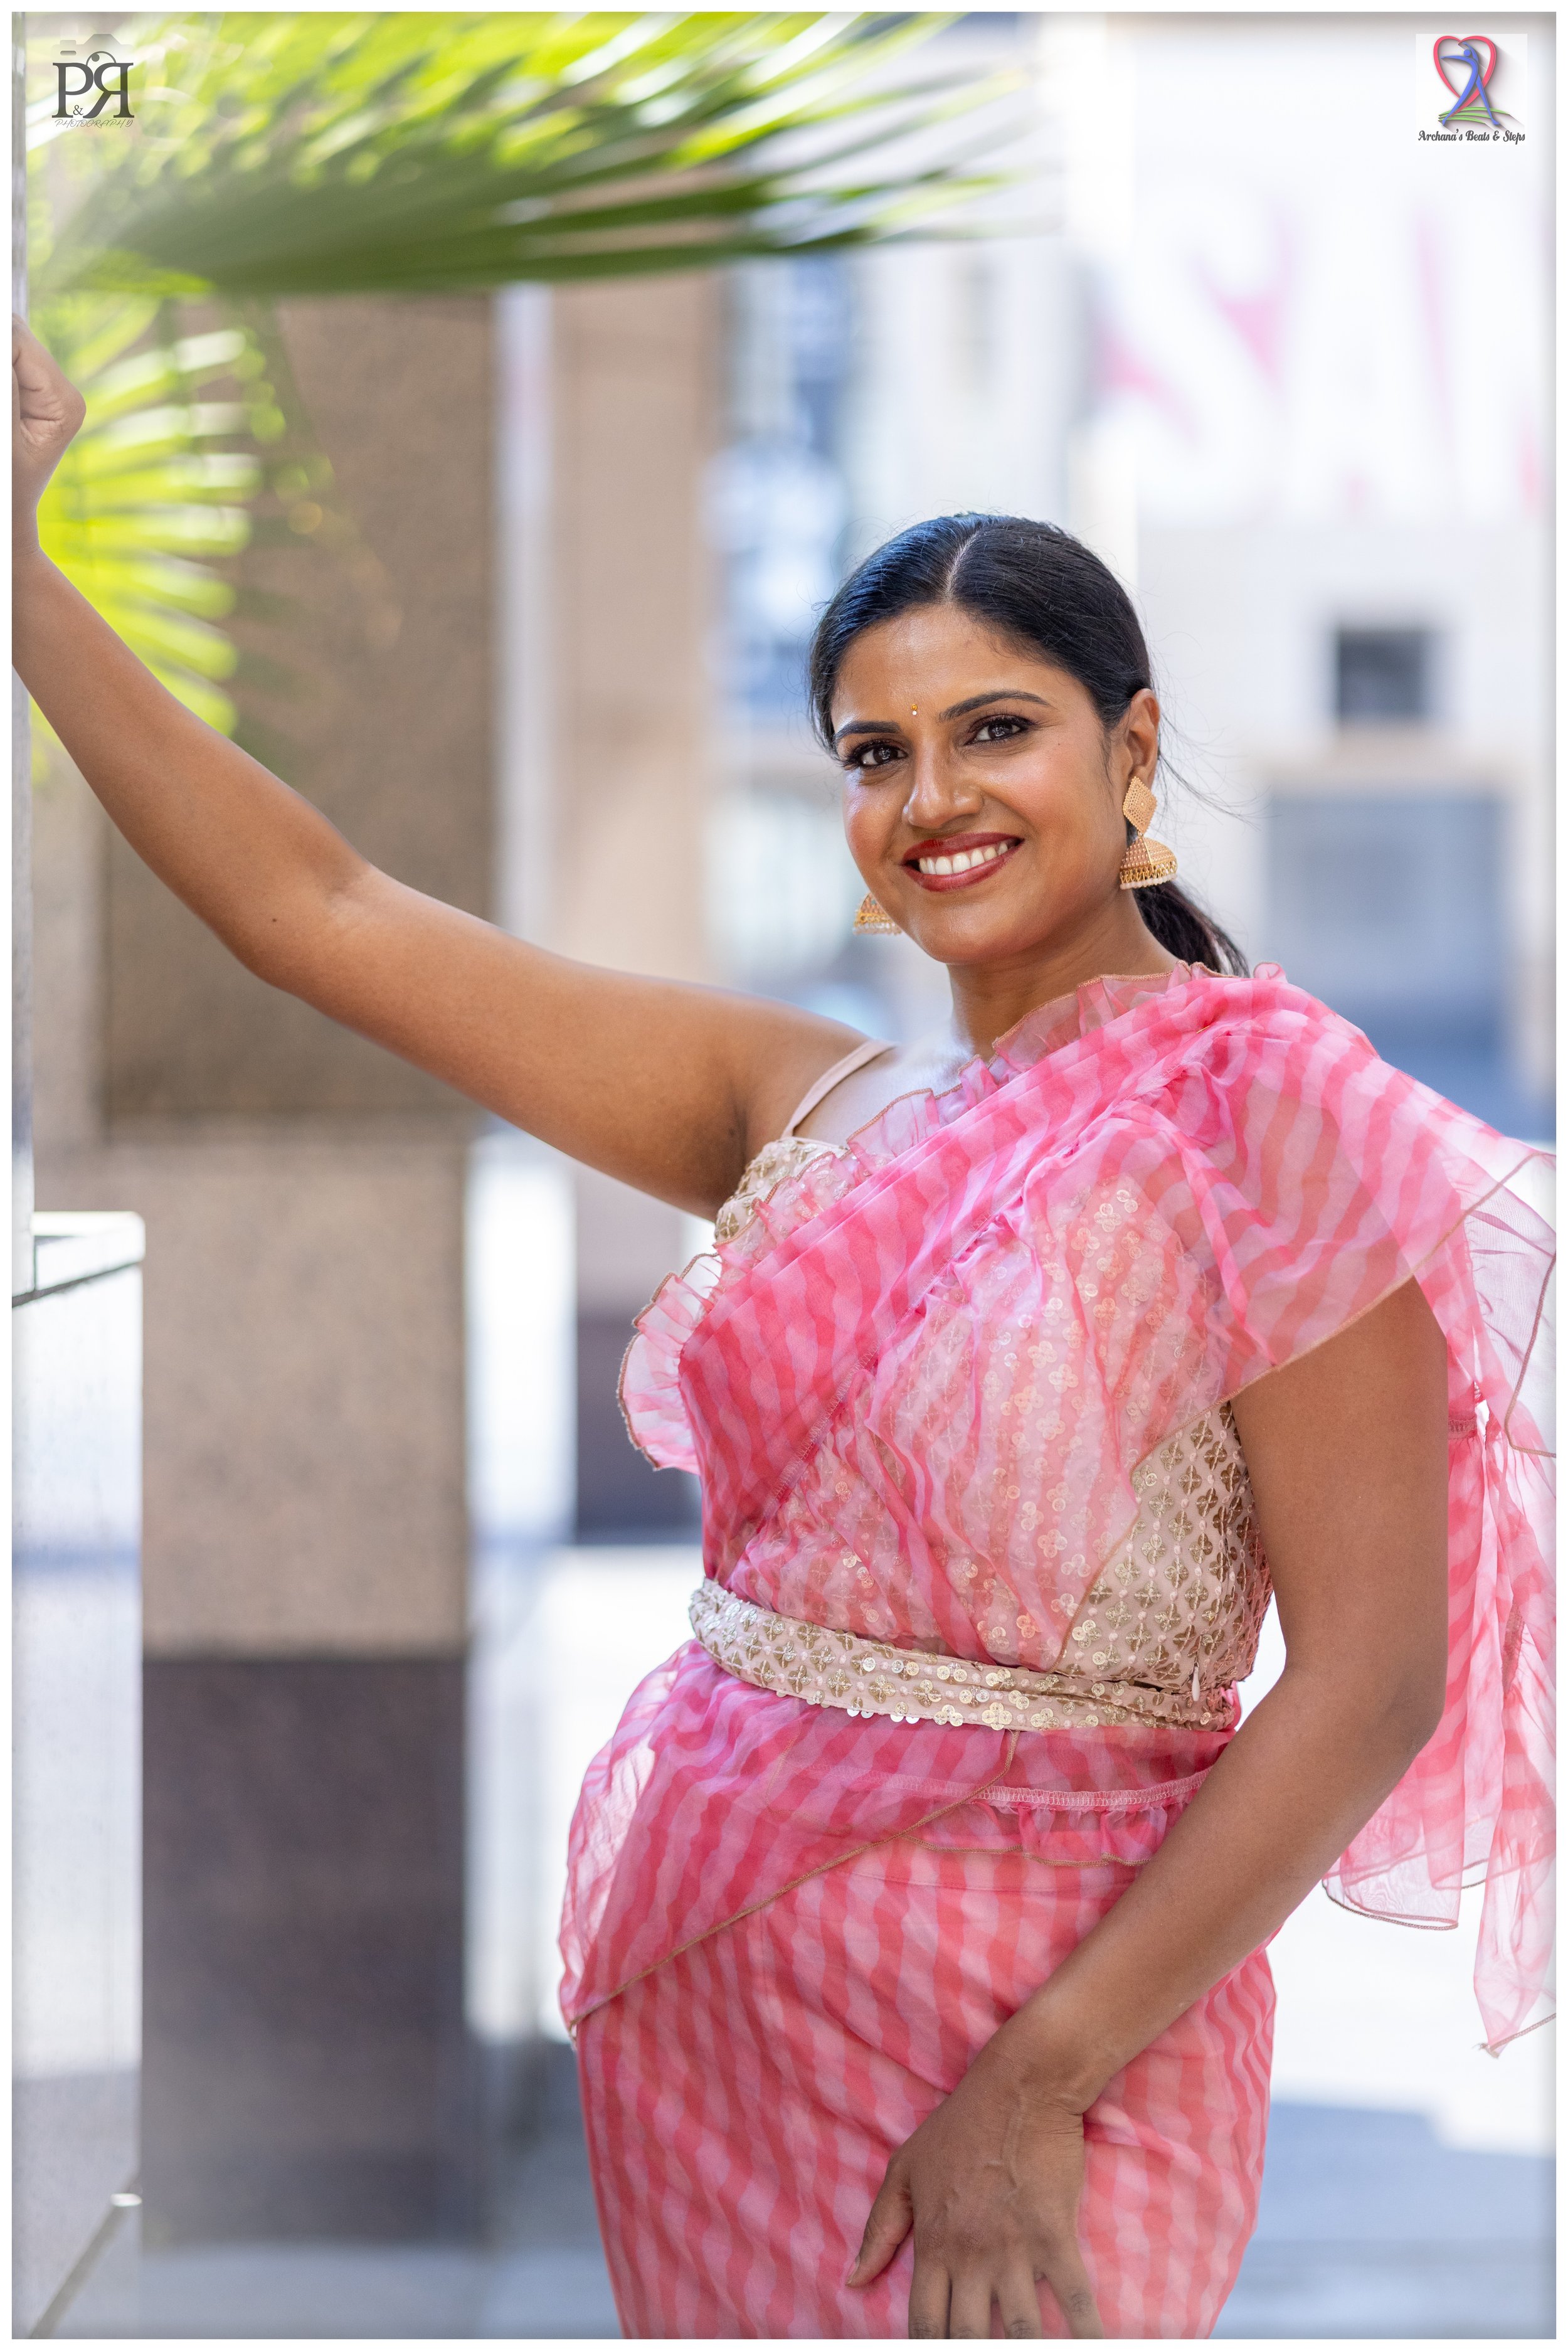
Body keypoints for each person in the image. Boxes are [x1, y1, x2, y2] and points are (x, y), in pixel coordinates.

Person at [13, 317, 1553, 2341]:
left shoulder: (1257, 1121)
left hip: (1048, 2034)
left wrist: (1027, 2088)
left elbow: (1365, 1683)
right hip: (718, 1998)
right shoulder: (808, 1101)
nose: (932, 797)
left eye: (996, 729)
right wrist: (20, 572)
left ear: (1132, 748)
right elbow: (323, 914)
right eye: (871, 751)